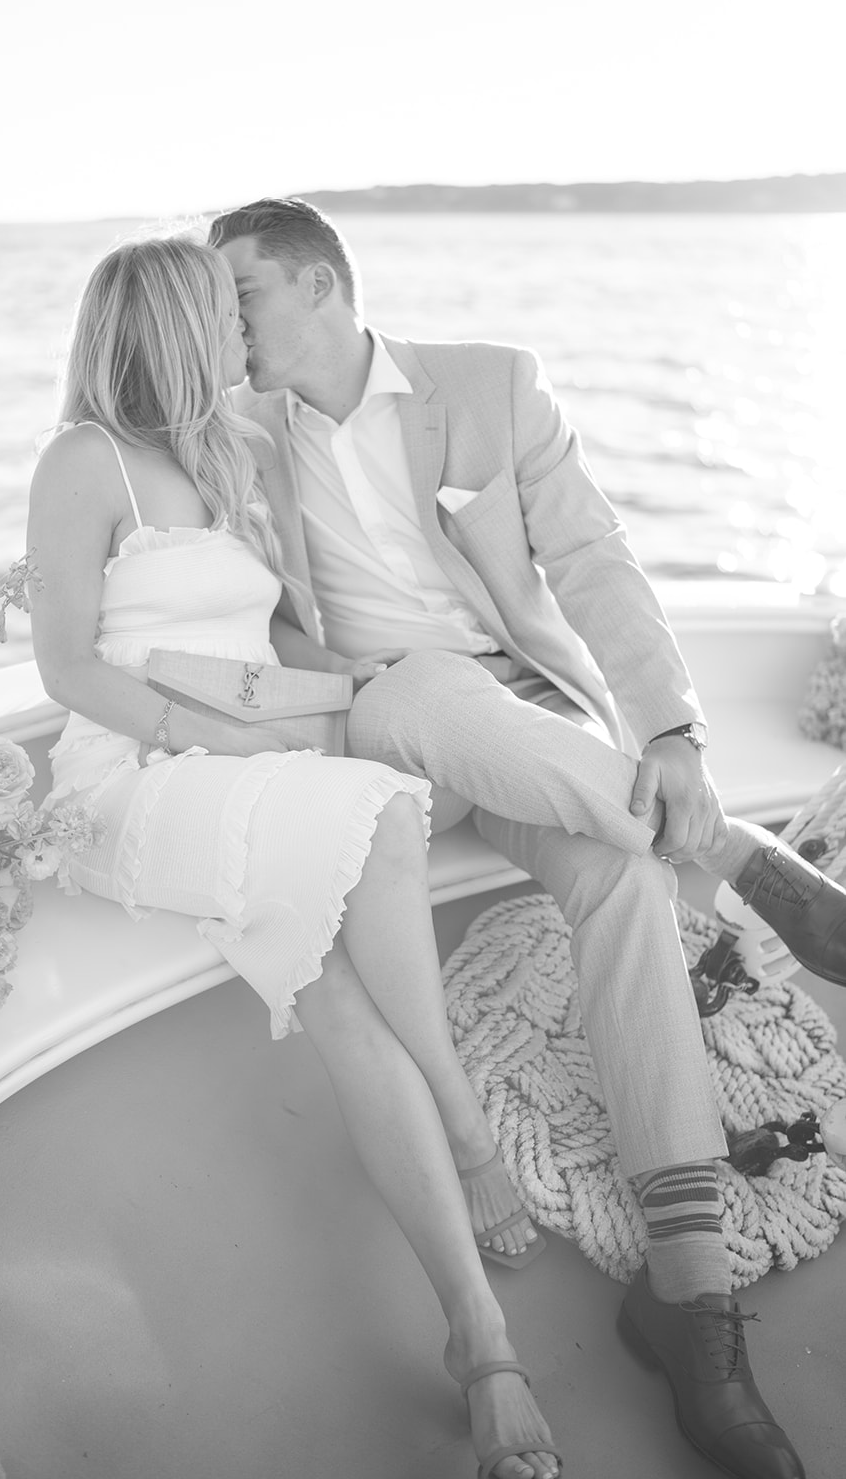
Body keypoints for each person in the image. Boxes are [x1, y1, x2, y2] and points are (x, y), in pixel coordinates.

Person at [209, 196, 846, 1479]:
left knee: (617, 876)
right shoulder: (230, 436)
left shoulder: (491, 387)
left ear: (321, 286)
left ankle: (691, 1305)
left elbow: (592, 558)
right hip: (377, 719)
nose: (222, 325)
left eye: (241, 296)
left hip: (531, 721)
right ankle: (737, 858)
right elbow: (244, 620)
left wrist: (668, 730)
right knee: (424, 687)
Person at [26, 234, 563, 1479]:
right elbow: (63, 667)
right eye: (220, 315)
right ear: (166, 327)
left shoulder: (225, 451)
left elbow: (271, 633)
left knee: (335, 993)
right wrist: (204, 735)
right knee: (374, 810)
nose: (240, 336)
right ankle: (469, 1129)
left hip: (239, 755)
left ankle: (479, 1342)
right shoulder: (82, 460)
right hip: (131, 772)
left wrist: (365, 679)